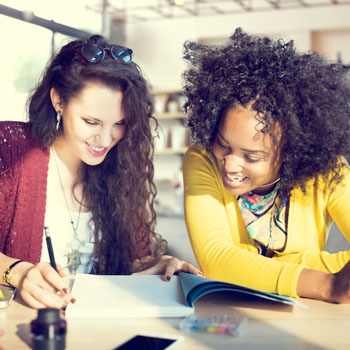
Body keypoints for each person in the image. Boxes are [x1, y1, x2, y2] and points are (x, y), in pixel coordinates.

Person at [0, 35, 202, 309]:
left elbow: (124, 261)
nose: (105, 140)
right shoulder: (11, 148)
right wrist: (18, 271)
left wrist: (152, 265)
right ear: (58, 100)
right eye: (91, 122)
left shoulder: (121, 165)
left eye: (119, 123)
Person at [182, 28, 350, 303]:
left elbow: (231, 264)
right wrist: (326, 284)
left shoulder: (329, 171)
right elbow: (216, 260)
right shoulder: (202, 160)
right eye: (224, 144)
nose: (231, 165)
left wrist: (251, 266)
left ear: (291, 151)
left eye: (252, 157)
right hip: (231, 316)